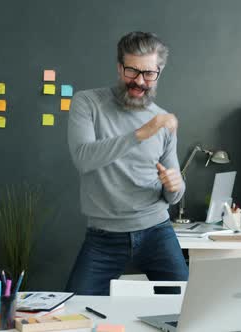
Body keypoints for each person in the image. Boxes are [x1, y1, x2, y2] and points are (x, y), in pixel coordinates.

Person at [66, 31, 188, 295]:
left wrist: (175, 185)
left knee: (185, 308)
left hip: (156, 230)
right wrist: (142, 132)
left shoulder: (163, 121)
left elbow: (173, 194)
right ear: (119, 67)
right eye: (131, 71)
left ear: (159, 72)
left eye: (149, 74)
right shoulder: (87, 103)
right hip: (103, 237)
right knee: (75, 312)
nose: (139, 81)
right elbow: (83, 158)